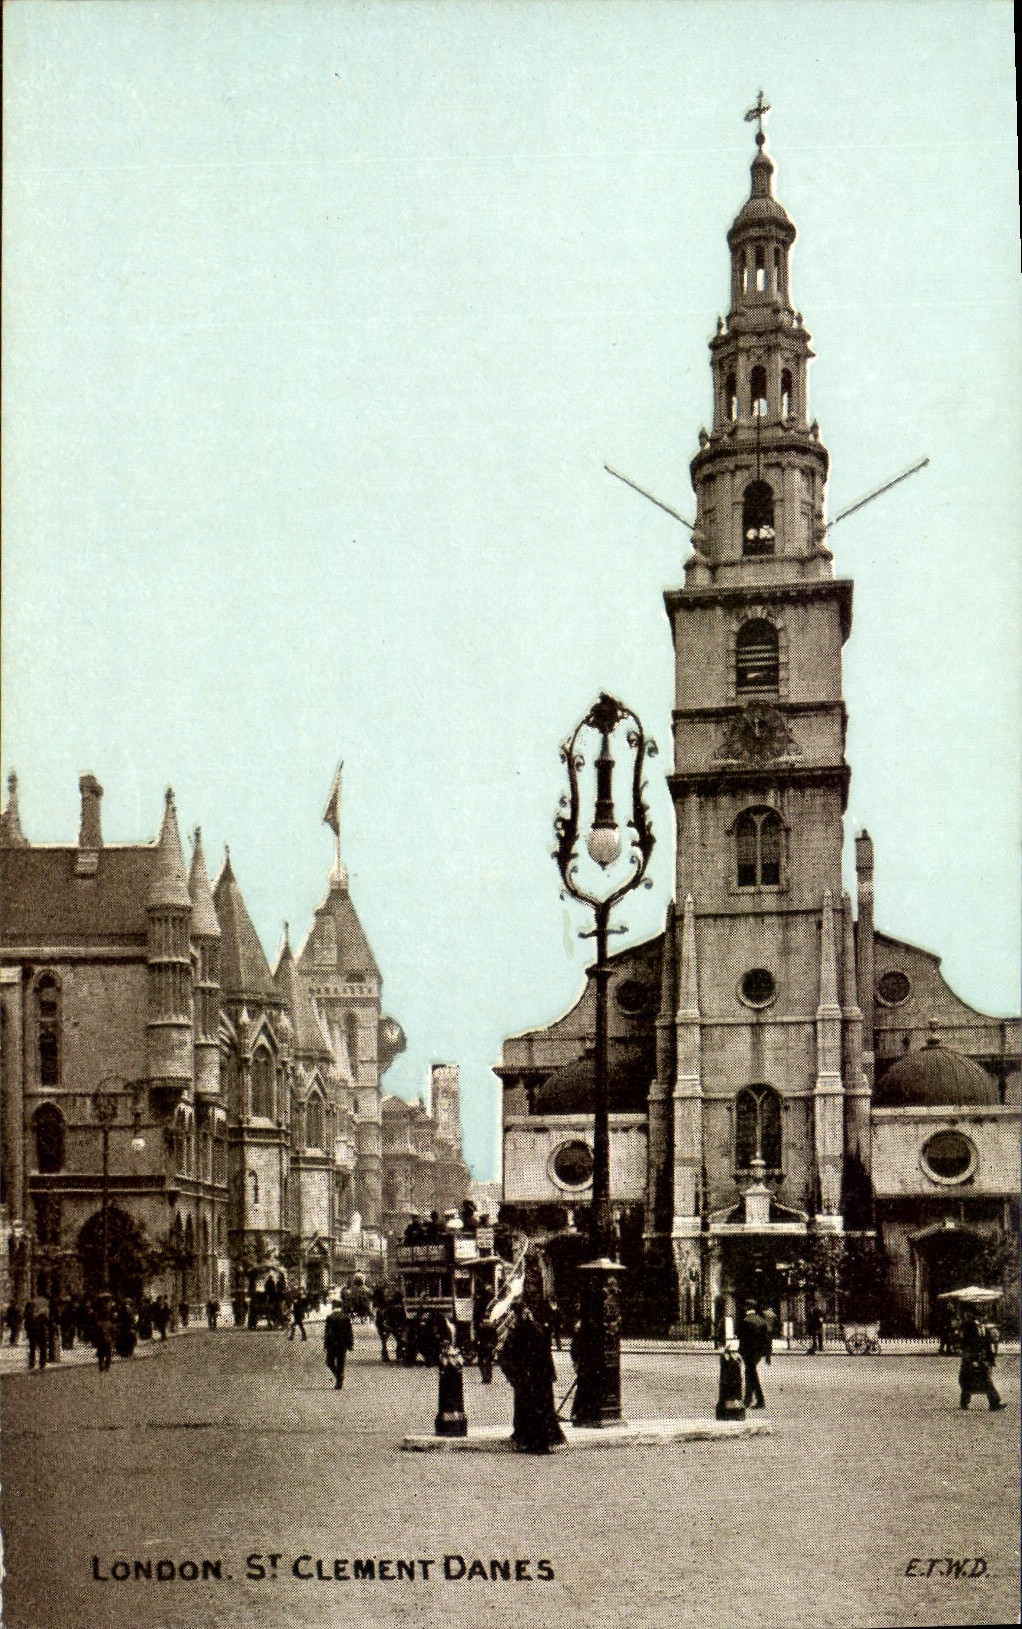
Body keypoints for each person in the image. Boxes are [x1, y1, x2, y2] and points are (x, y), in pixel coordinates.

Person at [498, 1304, 565, 1453]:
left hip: (530, 1377)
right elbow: (545, 1352)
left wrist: (515, 1373)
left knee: (529, 1408)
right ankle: (539, 1440)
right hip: (538, 1377)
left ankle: (530, 1439)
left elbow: (509, 1354)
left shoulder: (523, 1331)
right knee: (539, 1408)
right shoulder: (535, 1329)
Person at [958, 1313, 1004, 1411]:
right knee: (969, 1381)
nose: (985, 1318)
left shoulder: (984, 1328)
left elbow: (987, 1345)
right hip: (972, 1358)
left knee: (986, 1381)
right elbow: (967, 1344)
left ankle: (994, 1402)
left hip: (981, 1359)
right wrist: (971, 1359)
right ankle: (964, 1402)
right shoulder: (969, 1326)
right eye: (983, 1316)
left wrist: (990, 1359)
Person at [737, 1301, 769, 1409]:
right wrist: (767, 1354)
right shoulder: (761, 1321)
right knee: (750, 1374)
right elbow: (767, 1340)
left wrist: (740, 1351)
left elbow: (742, 1339)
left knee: (751, 1375)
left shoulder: (746, 1321)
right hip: (758, 1353)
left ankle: (756, 1400)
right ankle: (750, 1399)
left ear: (748, 1308)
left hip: (748, 1352)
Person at [435, 1341, 468, 1437]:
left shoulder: (450, 1354)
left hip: (451, 1375)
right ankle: (454, 1423)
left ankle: (451, 1424)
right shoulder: (450, 1354)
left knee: (451, 1399)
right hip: (451, 1375)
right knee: (451, 1399)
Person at [323, 1299, 354, 1388]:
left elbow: (327, 1332)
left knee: (329, 1362)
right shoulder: (346, 1317)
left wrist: (326, 1343)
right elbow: (349, 1332)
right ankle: (339, 1380)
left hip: (332, 1343)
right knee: (341, 1362)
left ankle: (338, 1377)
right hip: (342, 1344)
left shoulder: (330, 1317)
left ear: (333, 1307)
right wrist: (350, 1344)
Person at [716, 1338, 746, 1421]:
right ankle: (730, 1412)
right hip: (728, 1381)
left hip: (733, 1381)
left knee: (734, 1396)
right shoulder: (728, 1357)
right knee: (730, 1396)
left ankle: (733, 1411)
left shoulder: (734, 1357)